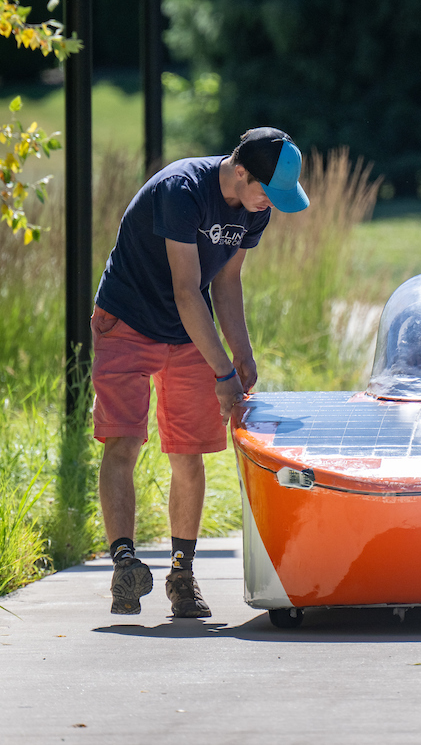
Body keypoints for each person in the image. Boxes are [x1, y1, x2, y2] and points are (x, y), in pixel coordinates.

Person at [91, 127, 310, 617]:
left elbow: (227, 282)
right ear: (239, 171)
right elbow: (188, 290)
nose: (268, 205)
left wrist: (242, 355)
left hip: (187, 331)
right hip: (128, 320)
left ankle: (181, 576)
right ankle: (124, 564)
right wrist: (222, 374)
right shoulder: (182, 190)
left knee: (189, 452)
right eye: (265, 192)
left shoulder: (255, 211)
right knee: (123, 440)